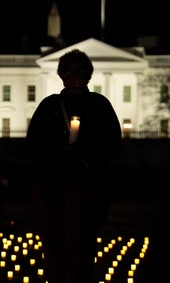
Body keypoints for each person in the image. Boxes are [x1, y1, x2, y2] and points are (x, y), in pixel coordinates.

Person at [26, 49, 122, 283]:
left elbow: (112, 145)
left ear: (89, 75)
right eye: (69, 71)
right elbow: (33, 147)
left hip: (87, 190)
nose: (75, 77)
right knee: (55, 250)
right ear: (60, 75)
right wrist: (58, 155)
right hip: (53, 189)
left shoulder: (100, 106)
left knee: (82, 250)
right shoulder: (49, 107)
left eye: (80, 71)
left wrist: (85, 156)